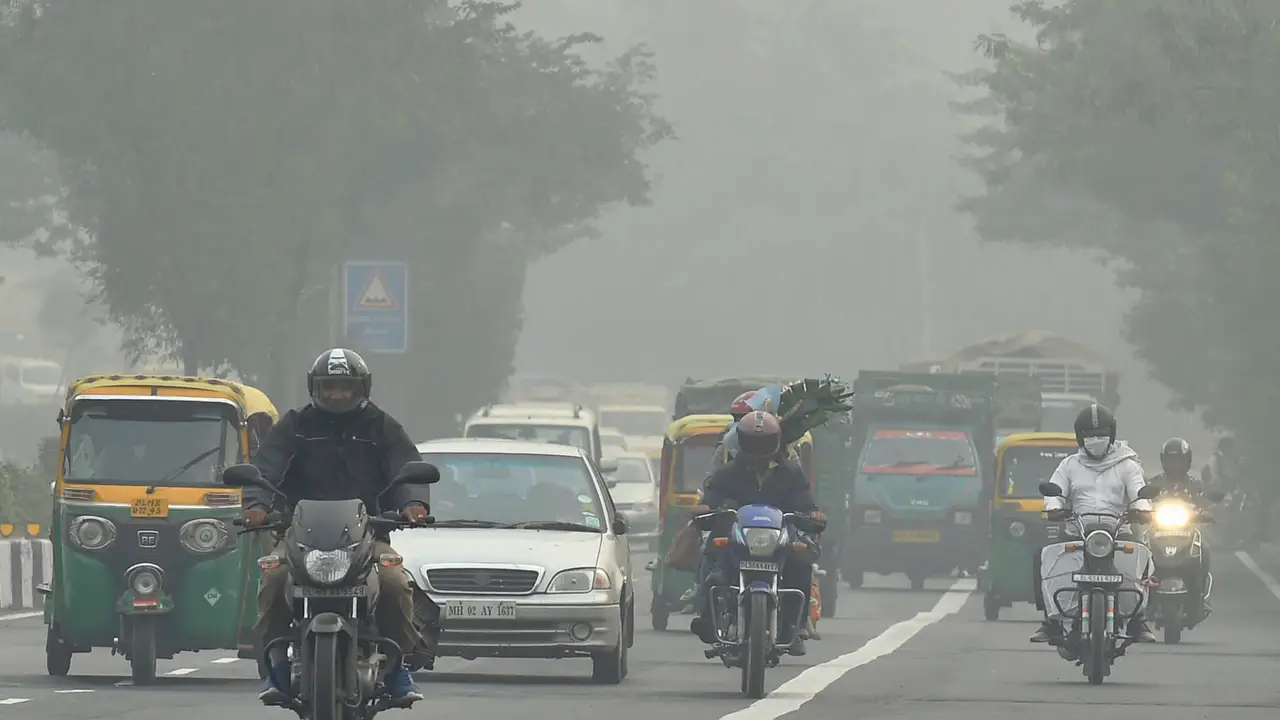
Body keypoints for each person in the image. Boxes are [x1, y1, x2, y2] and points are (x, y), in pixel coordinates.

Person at [244, 348, 429, 706]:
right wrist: (257, 506)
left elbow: (405, 465)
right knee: (274, 577)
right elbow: (266, 468)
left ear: (362, 388)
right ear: (315, 388)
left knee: (394, 582)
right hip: (299, 537)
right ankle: (276, 666)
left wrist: (413, 503)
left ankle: (397, 667)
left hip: (368, 536)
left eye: (345, 387)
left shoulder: (382, 427)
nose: (337, 395)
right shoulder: (295, 426)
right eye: (329, 387)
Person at [690, 411, 824, 655]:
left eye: (764, 442)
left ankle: (794, 628)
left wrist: (813, 515)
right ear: (742, 442)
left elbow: (806, 503)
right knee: (711, 561)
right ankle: (707, 617)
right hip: (738, 536)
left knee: (801, 566)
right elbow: (711, 497)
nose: (758, 450)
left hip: (779, 537)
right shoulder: (728, 472)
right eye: (753, 442)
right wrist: (705, 508)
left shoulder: (791, 472)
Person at [1030, 404, 1156, 645]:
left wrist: (1142, 509)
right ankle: (1051, 621)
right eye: (1090, 435)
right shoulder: (1069, 465)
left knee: (1144, 557)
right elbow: (1056, 491)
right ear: (1080, 437)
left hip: (1117, 532)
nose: (1096, 439)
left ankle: (1137, 620)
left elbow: (1139, 493)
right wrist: (1054, 507)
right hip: (1076, 531)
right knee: (1042, 557)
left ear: (1112, 435)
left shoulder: (1127, 465)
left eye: (1101, 434)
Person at [1148, 437, 1212, 610]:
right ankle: (1142, 595)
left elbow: (1206, 502)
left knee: (1204, 549)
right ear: (1163, 461)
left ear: (1187, 461)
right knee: (1141, 550)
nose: (1175, 464)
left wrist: (1206, 512)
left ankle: (1199, 595)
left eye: (1179, 460)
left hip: (1187, 530)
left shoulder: (1195, 484)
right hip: (1158, 531)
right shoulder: (1153, 483)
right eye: (1171, 460)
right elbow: (1141, 500)